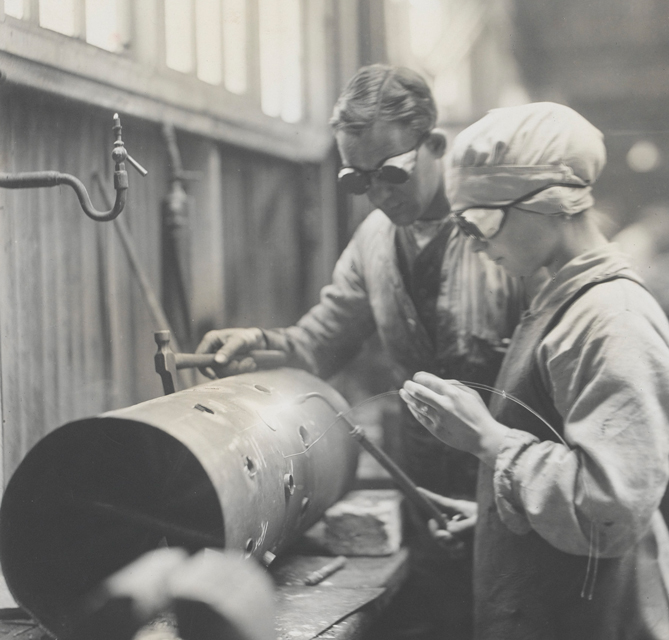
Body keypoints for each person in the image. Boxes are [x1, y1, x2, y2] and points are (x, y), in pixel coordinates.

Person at [195, 65, 527, 639]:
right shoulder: (373, 242)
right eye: (358, 179)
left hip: (514, 498)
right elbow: (320, 343)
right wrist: (263, 343)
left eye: (392, 174)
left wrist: (516, 504)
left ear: (435, 145)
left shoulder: (503, 229)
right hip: (425, 498)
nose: (377, 194)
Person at [400, 102, 669, 640]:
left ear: (548, 204)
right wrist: (498, 520)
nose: (473, 241)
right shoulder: (559, 299)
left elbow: (609, 510)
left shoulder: (613, 321)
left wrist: (487, 439)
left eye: (481, 220)